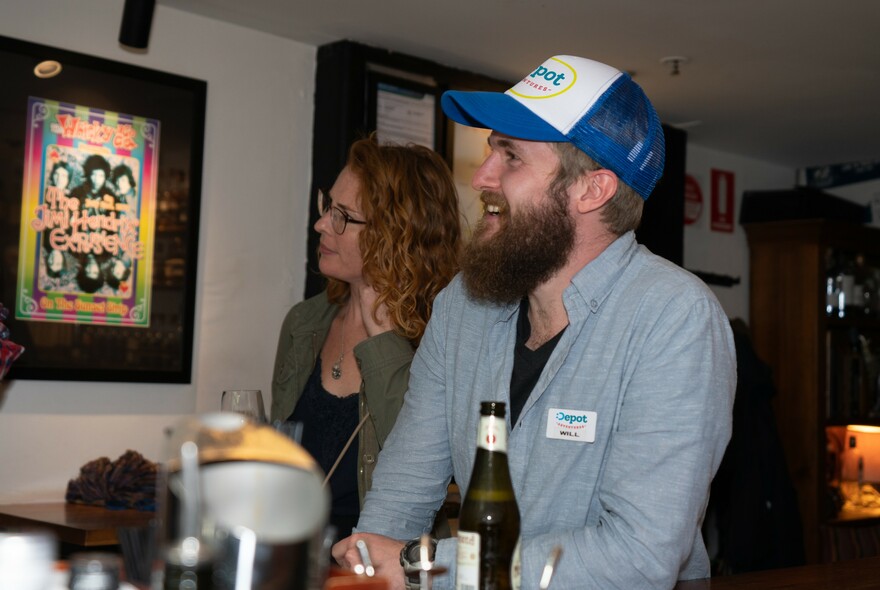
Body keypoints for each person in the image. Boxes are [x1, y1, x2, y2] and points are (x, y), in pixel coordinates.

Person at [332, 55, 737, 589]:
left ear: (592, 190)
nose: (481, 177)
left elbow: (640, 557)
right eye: (490, 151)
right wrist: (366, 569)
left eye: (512, 157)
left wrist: (421, 567)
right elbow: (403, 489)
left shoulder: (675, 319)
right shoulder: (463, 304)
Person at [271, 136, 462, 543]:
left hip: (385, 567)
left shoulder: (443, 336)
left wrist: (383, 339)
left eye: (343, 216)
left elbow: (424, 467)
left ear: (395, 234)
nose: (322, 223)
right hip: (292, 560)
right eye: (327, 206)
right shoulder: (304, 323)